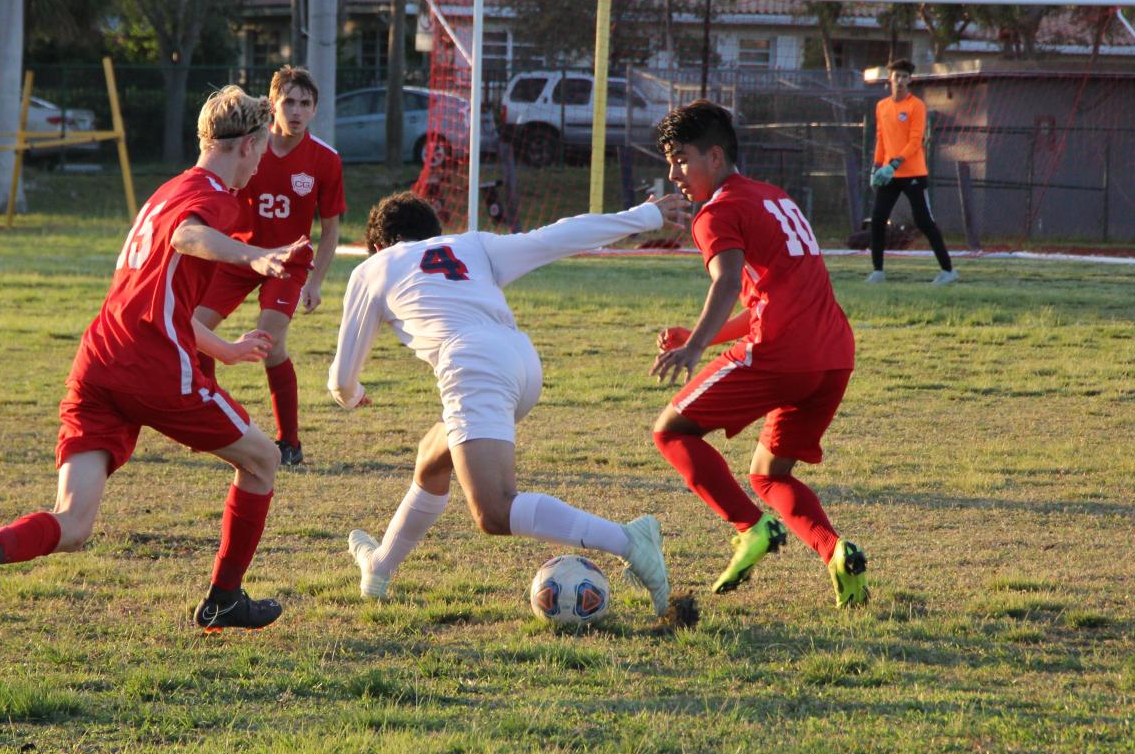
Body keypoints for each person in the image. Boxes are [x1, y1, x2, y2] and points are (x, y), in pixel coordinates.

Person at [0, 86, 312, 641]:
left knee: (74, 522)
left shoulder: (167, 190)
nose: (261, 162)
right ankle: (223, 599)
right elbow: (189, 237)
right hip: (151, 368)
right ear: (244, 145)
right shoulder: (215, 198)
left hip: (99, 361)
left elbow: (160, 296)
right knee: (264, 460)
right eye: (261, 151)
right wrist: (254, 256)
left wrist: (226, 350)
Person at [327, 191, 675, 617]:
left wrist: (352, 395)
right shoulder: (471, 244)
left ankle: (629, 539)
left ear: (379, 245)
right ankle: (379, 566)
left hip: (473, 365)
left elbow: (342, 378)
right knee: (431, 459)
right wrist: (644, 214)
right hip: (522, 363)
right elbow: (557, 236)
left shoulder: (372, 268)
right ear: (436, 235)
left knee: (493, 511)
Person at [649, 100, 869, 608]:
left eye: (682, 159)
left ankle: (751, 528)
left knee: (671, 431)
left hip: (780, 355)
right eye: (670, 160)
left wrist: (697, 345)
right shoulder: (775, 198)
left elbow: (727, 280)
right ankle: (838, 553)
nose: (673, 173)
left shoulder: (718, 212)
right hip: (833, 356)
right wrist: (704, 335)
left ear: (716, 156)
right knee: (769, 474)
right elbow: (774, 297)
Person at [195, 66, 345, 467]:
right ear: (272, 103)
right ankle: (209, 421)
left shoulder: (325, 159)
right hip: (237, 257)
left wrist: (316, 282)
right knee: (191, 328)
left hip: (288, 263)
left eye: (305, 104)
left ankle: (289, 443)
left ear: (315, 109)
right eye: (289, 102)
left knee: (269, 343)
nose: (296, 111)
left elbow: (330, 231)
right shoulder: (246, 147)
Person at [866, 58, 958, 285]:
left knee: (924, 220)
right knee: (878, 219)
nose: (900, 81)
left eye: (904, 77)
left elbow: (915, 141)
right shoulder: (882, 106)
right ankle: (878, 271)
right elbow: (880, 138)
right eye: (896, 76)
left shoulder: (916, 106)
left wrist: (894, 164)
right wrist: (876, 166)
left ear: (910, 80)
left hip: (913, 174)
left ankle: (948, 270)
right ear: (890, 79)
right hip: (888, 174)